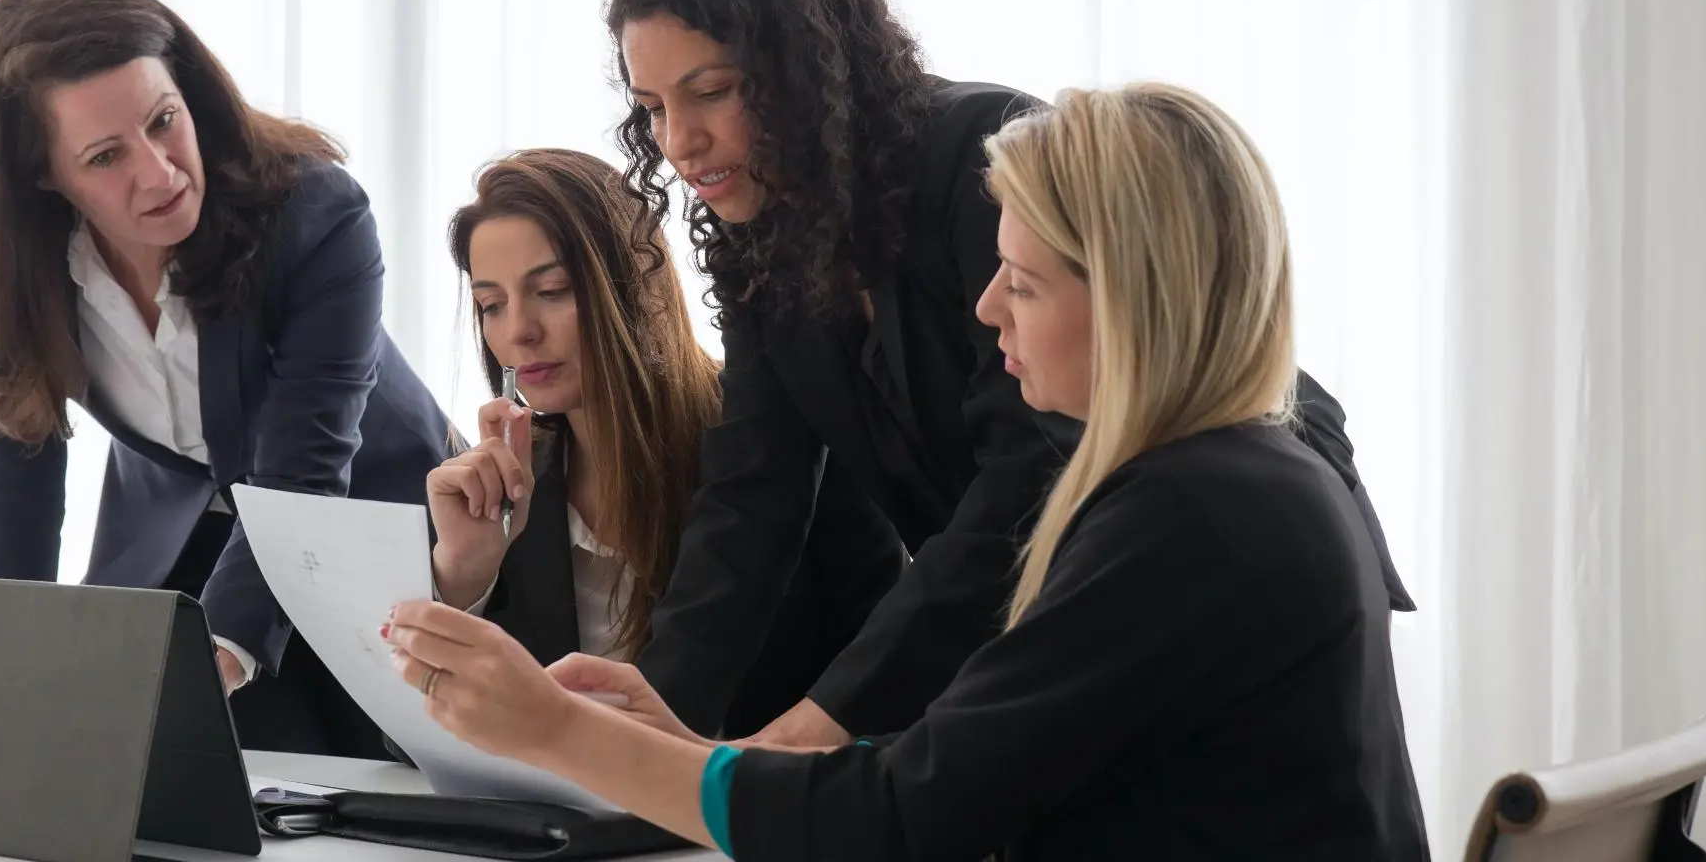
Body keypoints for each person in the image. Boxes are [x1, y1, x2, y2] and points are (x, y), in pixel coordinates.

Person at [381, 83, 1433, 860]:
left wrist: (563, 731)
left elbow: (899, 813)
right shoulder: (1223, 485)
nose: (981, 311)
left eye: (1017, 282)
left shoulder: (1191, 517)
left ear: (1131, 295)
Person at [600, 0, 1416, 747]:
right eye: (652, 107)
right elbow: (750, 497)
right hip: (1078, 575)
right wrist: (646, 732)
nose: (679, 141)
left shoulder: (981, 154)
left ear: (798, 69)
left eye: (710, 91)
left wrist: (815, 727)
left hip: (1235, 549)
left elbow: (1031, 467)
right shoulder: (759, 235)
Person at [0, 0, 453, 760]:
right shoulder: (22, 277)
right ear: (41, 174)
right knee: (155, 788)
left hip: (378, 539)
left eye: (165, 121)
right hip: (192, 553)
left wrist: (210, 665)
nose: (159, 173)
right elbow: (12, 513)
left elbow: (302, 478)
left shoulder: (314, 215)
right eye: (105, 156)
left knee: (362, 797)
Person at [429, 148, 903, 736]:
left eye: (551, 291)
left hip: (754, 811)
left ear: (636, 285)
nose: (518, 331)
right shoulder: (508, 482)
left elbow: (891, 682)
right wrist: (462, 580)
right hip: (576, 819)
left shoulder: (776, 444)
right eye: (491, 305)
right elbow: (412, 744)